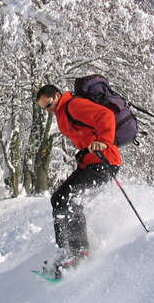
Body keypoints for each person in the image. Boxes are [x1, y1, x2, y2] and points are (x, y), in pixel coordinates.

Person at [35, 83, 122, 272]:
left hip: (104, 161)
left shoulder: (72, 105)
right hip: (91, 162)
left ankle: (75, 253)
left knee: (66, 198)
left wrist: (104, 142)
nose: (48, 110)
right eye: (44, 109)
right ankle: (71, 251)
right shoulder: (61, 113)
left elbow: (105, 115)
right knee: (63, 199)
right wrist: (83, 152)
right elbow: (86, 133)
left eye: (49, 104)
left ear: (57, 96)